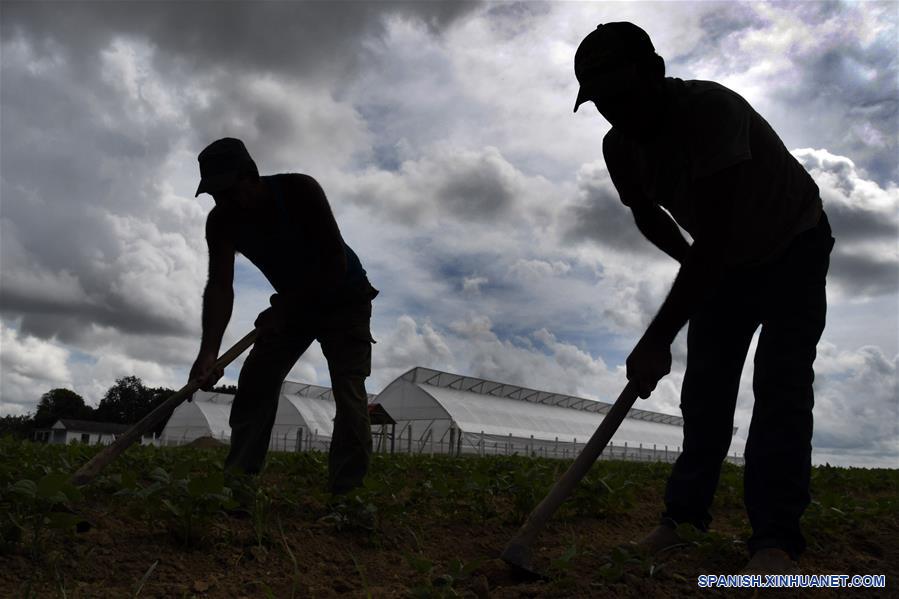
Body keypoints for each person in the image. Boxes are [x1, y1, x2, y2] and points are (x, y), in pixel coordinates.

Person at [573, 23, 834, 573]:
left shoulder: (711, 110)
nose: (616, 113)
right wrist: (690, 262)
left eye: (623, 95)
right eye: (602, 103)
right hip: (725, 263)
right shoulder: (619, 147)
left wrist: (657, 339)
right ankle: (684, 521)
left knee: (781, 385)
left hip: (794, 244)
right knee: (705, 395)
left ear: (655, 71)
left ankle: (774, 539)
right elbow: (650, 216)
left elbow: (715, 236)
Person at [189, 137, 378, 495]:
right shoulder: (222, 222)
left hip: (345, 298)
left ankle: (347, 498)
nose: (223, 203)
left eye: (229, 192)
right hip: (292, 306)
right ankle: (239, 487)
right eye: (215, 195)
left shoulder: (299, 191)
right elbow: (220, 287)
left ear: (251, 175)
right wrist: (208, 352)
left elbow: (334, 265)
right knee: (256, 381)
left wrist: (284, 309)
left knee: (349, 392)